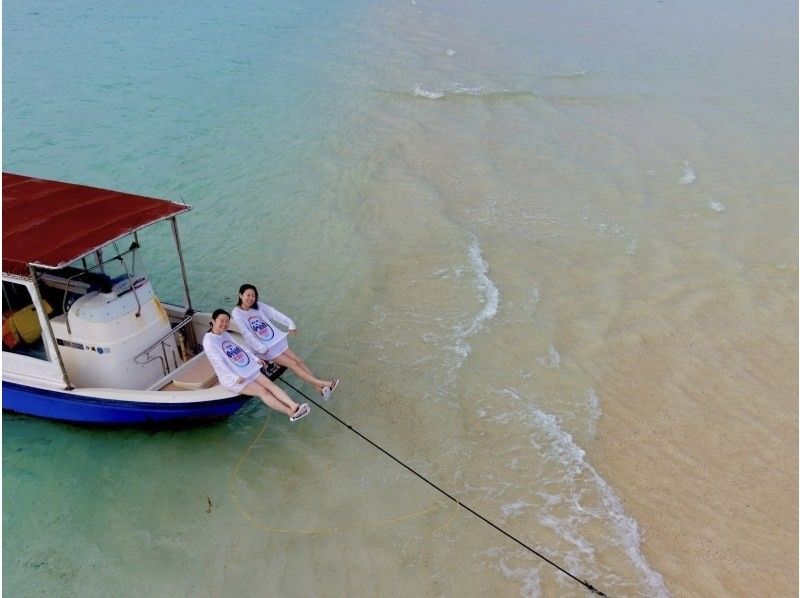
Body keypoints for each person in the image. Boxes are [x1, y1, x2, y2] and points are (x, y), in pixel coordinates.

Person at [231, 283, 339, 399]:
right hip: (264, 348)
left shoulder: (258, 306)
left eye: (253, 296)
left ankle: (319, 388)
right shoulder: (236, 313)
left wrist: (290, 323)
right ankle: (323, 384)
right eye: (248, 295)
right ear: (240, 295)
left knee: (298, 360)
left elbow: (274, 313)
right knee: (293, 364)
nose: (251, 298)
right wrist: (260, 348)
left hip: (274, 341)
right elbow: (246, 333)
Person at [203, 309, 310, 422]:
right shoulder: (209, 341)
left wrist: (255, 358)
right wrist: (233, 377)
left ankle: (294, 406)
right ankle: (290, 413)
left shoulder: (225, 333)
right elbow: (218, 362)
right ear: (213, 321)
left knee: (270, 385)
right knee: (262, 391)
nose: (224, 324)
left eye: (227, 321)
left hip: (245, 368)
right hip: (233, 378)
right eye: (221, 320)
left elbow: (240, 347)